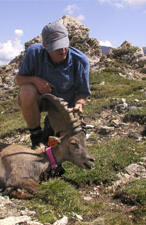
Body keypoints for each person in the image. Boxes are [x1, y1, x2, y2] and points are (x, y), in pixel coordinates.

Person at [16, 20, 90, 149]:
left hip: (64, 106)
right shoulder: (34, 53)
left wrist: (79, 104)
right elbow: (19, 79)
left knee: (64, 142)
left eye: (64, 44)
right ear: (45, 46)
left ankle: (50, 129)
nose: (62, 49)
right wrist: (35, 80)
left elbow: (82, 93)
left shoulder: (80, 61)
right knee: (26, 91)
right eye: (57, 46)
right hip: (41, 99)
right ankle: (36, 137)